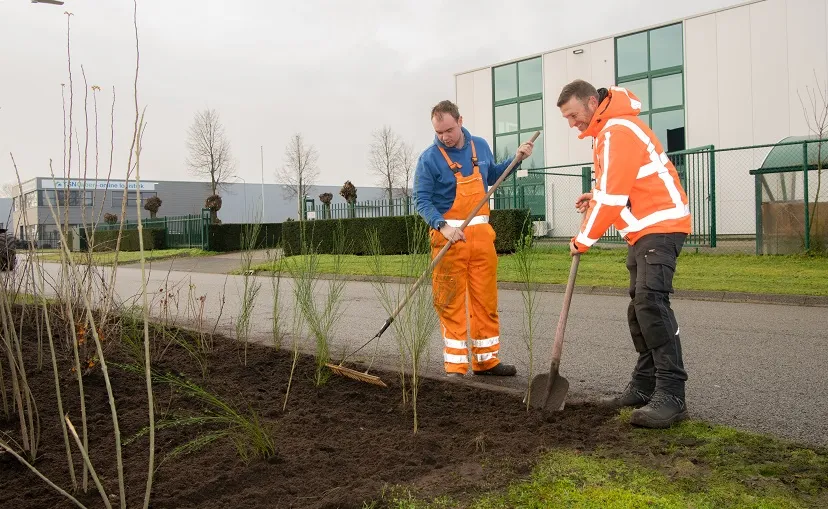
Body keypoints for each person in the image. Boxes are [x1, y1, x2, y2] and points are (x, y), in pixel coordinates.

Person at [557, 79, 691, 428]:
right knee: (639, 307)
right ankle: (645, 385)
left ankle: (672, 395)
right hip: (641, 230)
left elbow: (614, 197)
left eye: (573, 115)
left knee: (651, 303)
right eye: (567, 120)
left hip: (660, 225)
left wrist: (583, 239)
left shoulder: (618, 129)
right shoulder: (607, 132)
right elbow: (615, 187)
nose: (573, 125)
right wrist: (594, 195)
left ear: (590, 103)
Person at [413, 100, 533, 377]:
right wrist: (442, 226)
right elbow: (421, 200)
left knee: (485, 302)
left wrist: (516, 160)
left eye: (449, 130)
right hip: (449, 241)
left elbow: (492, 175)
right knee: (450, 303)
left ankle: (486, 360)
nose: (444, 137)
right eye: (439, 132)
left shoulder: (480, 145)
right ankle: (456, 365)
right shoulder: (429, 158)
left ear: (460, 121)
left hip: (482, 240)